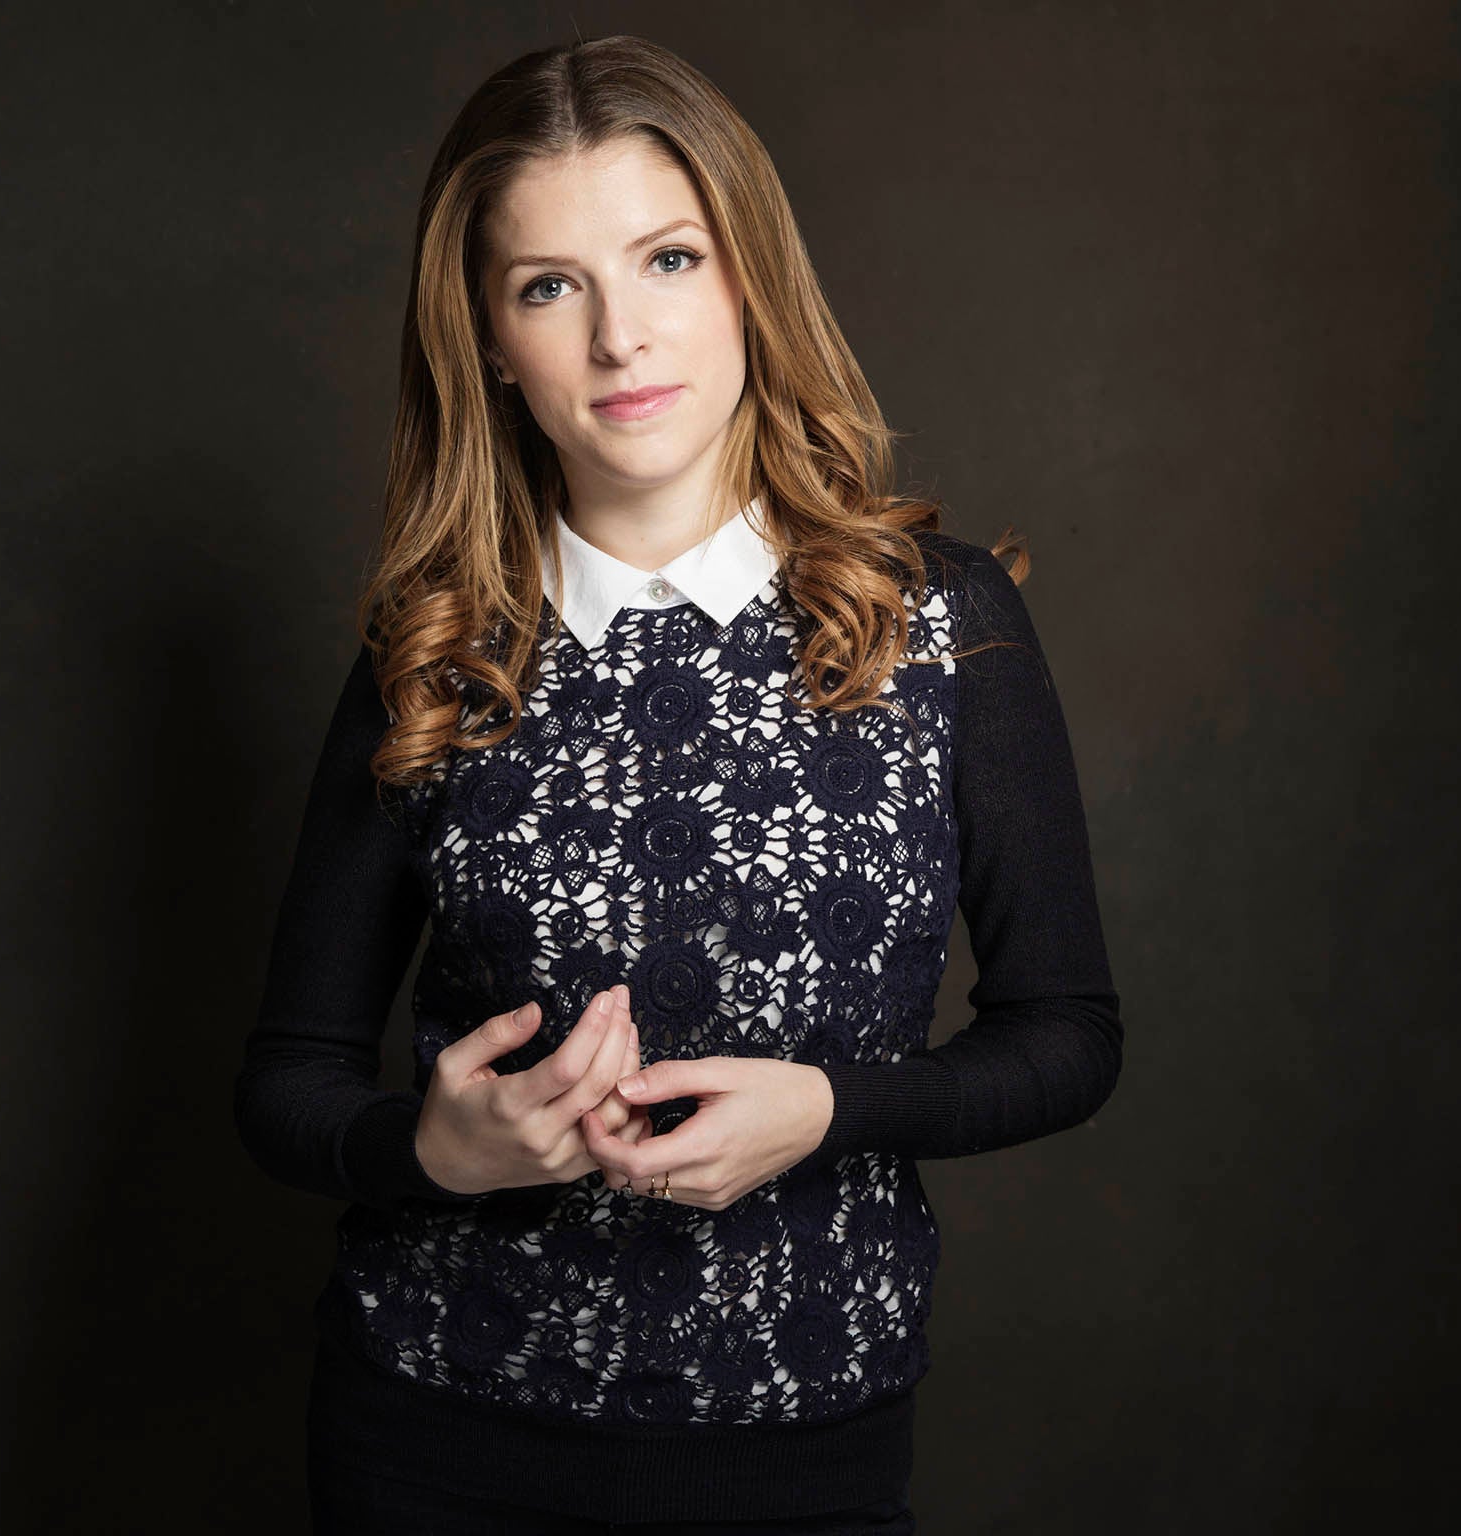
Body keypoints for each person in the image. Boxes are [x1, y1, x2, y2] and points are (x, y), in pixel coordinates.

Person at [233, 33, 1122, 1535]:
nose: (619, 341)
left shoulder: (943, 622)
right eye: (549, 286)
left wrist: (831, 1110)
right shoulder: (432, 651)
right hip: (431, 1440)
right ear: (491, 345)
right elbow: (286, 1081)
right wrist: (434, 1152)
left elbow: (1068, 1036)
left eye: (665, 259)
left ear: (749, 279)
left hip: (801, 1458)